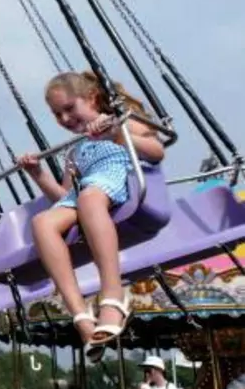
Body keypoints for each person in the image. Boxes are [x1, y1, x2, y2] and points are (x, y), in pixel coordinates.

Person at [18, 71, 164, 362]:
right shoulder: (75, 151)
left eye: (69, 108)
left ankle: (112, 295)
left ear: (92, 98)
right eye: (57, 114)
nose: (65, 118)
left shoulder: (122, 122)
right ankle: (81, 316)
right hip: (85, 194)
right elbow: (64, 198)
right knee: (42, 223)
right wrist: (37, 174)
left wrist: (115, 132)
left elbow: (156, 151)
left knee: (89, 197)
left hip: (113, 184)